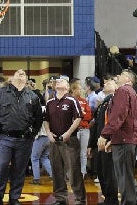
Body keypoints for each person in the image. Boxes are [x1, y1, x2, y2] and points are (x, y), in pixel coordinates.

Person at [0, 69, 43, 205]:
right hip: (4, 138)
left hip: (24, 140)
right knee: (2, 167)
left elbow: (39, 118)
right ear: (11, 78)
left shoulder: (33, 96)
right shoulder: (1, 93)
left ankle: (14, 198)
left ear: (26, 79)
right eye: (18, 72)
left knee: (19, 169)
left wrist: (33, 133)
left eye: (23, 73)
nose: (21, 73)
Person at [98, 69, 137, 205]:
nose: (118, 75)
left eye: (122, 75)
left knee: (124, 177)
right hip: (129, 138)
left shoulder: (123, 90)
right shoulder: (131, 93)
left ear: (128, 81)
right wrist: (113, 139)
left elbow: (119, 115)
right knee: (128, 175)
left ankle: (129, 202)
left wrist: (105, 134)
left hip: (125, 139)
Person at [44, 77, 86, 205]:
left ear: (67, 87)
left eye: (62, 81)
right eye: (58, 81)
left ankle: (80, 199)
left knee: (73, 171)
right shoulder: (49, 101)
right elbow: (46, 119)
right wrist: (48, 134)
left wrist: (68, 133)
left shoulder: (72, 100)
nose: (59, 82)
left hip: (69, 141)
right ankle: (60, 198)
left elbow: (79, 117)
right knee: (56, 171)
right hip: (54, 141)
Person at [87, 78, 119, 205]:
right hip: (99, 143)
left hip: (108, 143)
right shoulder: (103, 103)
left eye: (109, 83)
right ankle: (107, 198)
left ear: (117, 87)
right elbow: (96, 126)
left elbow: (115, 123)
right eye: (105, 83)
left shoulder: (116, 101)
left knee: (109, 173)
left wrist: (111, 140)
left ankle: (112, 200)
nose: (105, 84)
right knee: (100, 171)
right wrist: (90, 144)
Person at [69, 80, 92, 178]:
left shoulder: (84, 100)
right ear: (73, 89)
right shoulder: (69, 100)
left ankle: (82, 172)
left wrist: (80, 116)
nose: (80, 90)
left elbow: (89, 115)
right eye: (78, 88)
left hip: (85, 129)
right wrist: (81, 116)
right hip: (74, 130)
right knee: (73, 152)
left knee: (83, 152)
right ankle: (73, 173)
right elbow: (70, 116)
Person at [30, 106, 52, 185]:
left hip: (41, 136)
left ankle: (36, 179)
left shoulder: (37, 109)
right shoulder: (49, 108)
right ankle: (54, 175)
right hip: (49, 137)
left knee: (34, 158)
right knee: (44, 157)